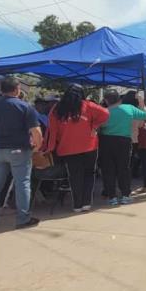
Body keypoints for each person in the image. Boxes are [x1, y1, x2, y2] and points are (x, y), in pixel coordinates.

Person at [0, 76, 42, 230]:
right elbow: (36, 131)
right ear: (17, 89)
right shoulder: (25, 107)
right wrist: (36, 147)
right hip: (19, 150)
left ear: (1, 90)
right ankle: (22, 219)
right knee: (22, 184)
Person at [45, 84, 109, 212]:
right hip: (89, 146)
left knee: (74, 176)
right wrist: (94, 126)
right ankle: (86, 203)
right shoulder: (88, 105)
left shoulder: (57, 108)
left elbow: (52, 129)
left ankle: (77, 205)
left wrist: (50, 146)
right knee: (89, 174)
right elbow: (106, 113)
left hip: (67, 148)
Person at [99, 90, 146, 204]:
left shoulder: (104, 112)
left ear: (106, 100)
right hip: (124, 140)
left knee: (109, 170)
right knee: (124, 168)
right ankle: (125, 195)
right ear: (119, 99)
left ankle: (112, 197)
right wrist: (141, 102)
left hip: (106, 141)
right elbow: (145, 115)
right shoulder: (129, 108)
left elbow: (99, 126)